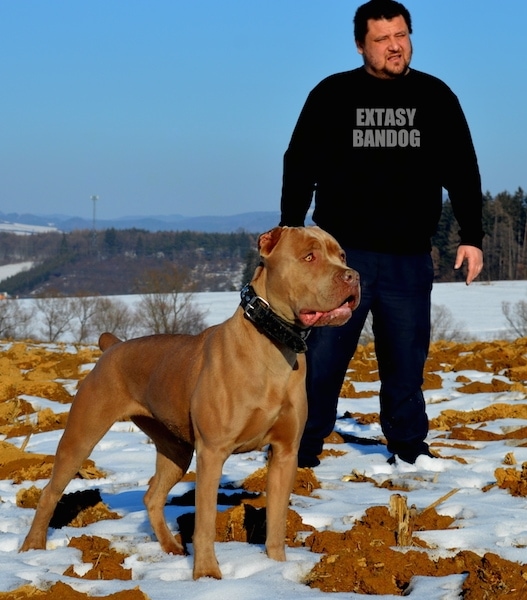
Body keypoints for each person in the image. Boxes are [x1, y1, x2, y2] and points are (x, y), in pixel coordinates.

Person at [279, 0, 484, 467]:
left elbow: (463, 170)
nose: (395, 46)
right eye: (382, 39)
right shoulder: (332, 94)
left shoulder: (436, 96)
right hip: (340, 259)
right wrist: (292, 231)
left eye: (402, 35)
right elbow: (300, 163)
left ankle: (410, 450)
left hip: (408, 258)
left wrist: (472, 235)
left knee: (406, 365)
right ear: (360, 45)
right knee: (323, 363)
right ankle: (301, 452)